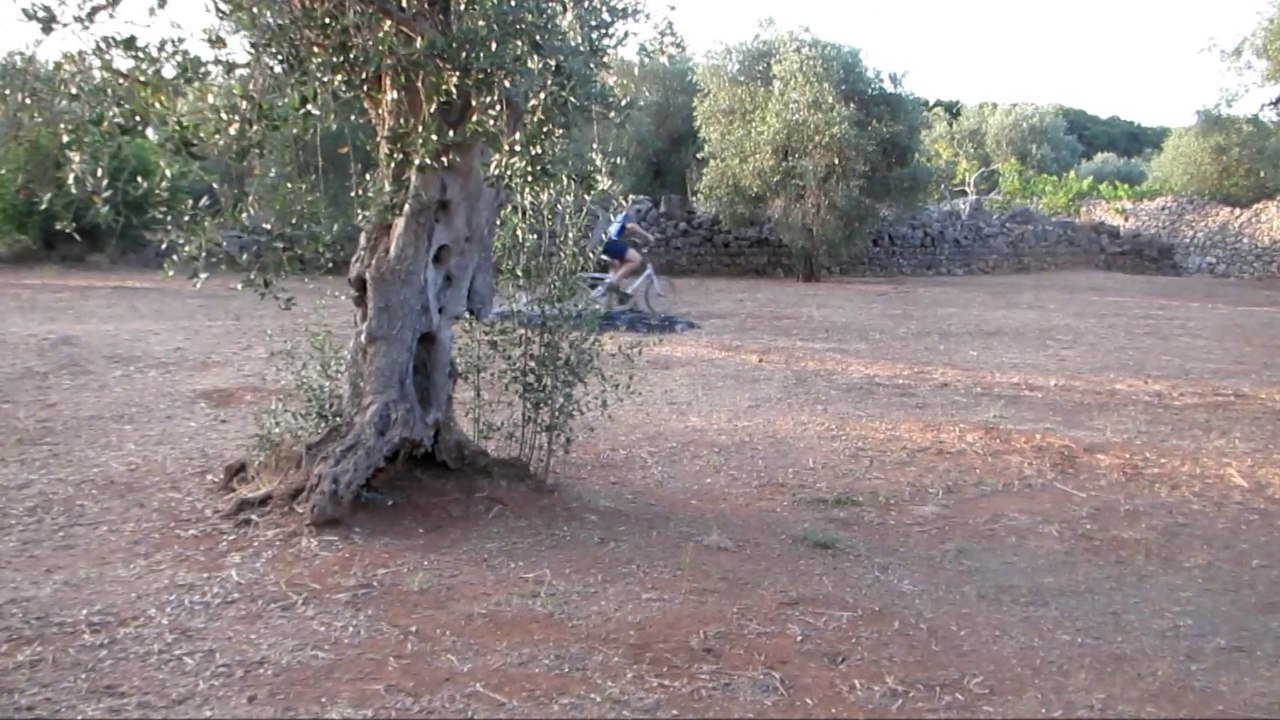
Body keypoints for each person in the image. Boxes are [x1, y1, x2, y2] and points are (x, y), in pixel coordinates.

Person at [596, 209, 655, 303]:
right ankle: (613, 284)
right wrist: (648, 236)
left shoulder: (613, 212)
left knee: (617, 266)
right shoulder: (625, 213)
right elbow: (631, 226)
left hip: (600, 243)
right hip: (610, 242)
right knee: (636, 259)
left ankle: (618, 297)